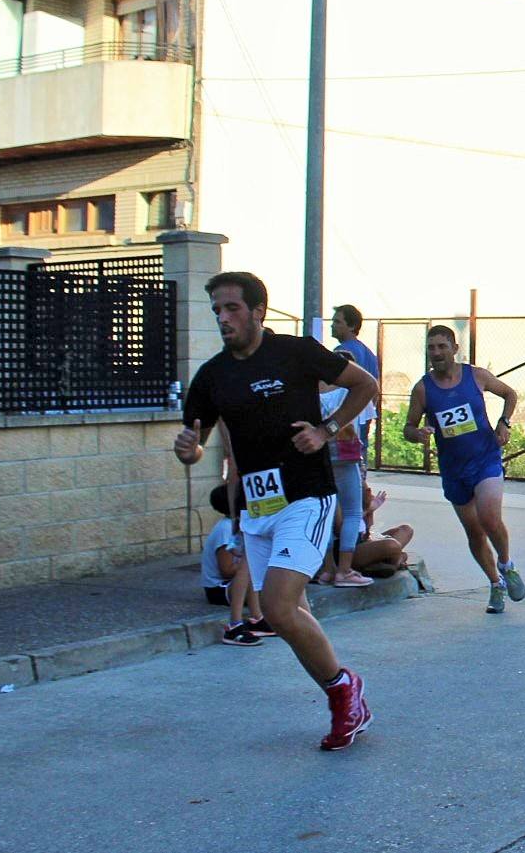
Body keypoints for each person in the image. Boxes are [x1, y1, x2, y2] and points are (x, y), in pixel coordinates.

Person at [174, 271, 379, 751]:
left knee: (280, 608)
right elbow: (196, 447)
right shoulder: (212, 376)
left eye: (231, 309)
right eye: (217, 311)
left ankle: (344, 691)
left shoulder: (295, 352)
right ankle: (346, 693)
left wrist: (326, 431)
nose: (223, 319)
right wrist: (188, 451)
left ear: (257, 312)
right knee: (283, 615)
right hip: (257, 507)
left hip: (307, 496)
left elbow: (364, 385)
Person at [403, 325, 525, 614]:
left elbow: (510, 394)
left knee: (489, 518)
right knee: (474, 532)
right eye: (431, 348)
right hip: (454, 469)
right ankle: (496, 584)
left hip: (485, 459)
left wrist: (504, 423)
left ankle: (506, 564)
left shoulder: (476, 376)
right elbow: (408, 427)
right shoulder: (423, 389)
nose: (436, 353)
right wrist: (417, 433)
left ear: (454, 348)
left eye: (442, 347)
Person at [318, 351, 373, 588]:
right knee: (352, 512)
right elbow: (363, 423)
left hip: (319, 453)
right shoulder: (354, 389)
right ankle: (345, 570)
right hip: (347, 454)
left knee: (327, 513)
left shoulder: (314, 389)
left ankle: (326, 568)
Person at [201, 483, 276, 646]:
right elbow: (226, 570)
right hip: (218, 589)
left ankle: (257, 618)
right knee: (249, 566)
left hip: (231, 584)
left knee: (254, 568)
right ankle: (239, 622)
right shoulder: (225, 529)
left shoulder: (237, 525)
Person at [331, 305, 379, 465]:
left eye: (337, 321)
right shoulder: (369, 354)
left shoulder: (342, 352)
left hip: (345, 422)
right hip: (363, 419)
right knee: (360, 467)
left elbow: (332, 388)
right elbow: (375, 391)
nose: (332, 325)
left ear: (351, 326)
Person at [352, 485, 413, 579]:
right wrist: (367, 510)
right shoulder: (340, 499)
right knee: (392, 545)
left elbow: (367, 532)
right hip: (348, 551)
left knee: (406, 530)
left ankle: (385, 562)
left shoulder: (364, 497)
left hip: (364, 541)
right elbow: (341, 530)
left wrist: (370, 512)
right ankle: (396, 561)